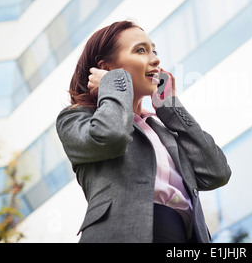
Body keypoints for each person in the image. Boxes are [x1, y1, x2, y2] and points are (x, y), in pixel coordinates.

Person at [56, 20, 231, 243]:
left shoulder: (162, 129)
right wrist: (114, 82)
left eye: (154, 51)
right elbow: (112, 136)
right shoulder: (77, 117)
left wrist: (171, 109)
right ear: (107, 67)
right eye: (141, 50)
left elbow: (216, 173)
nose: (156, 59)